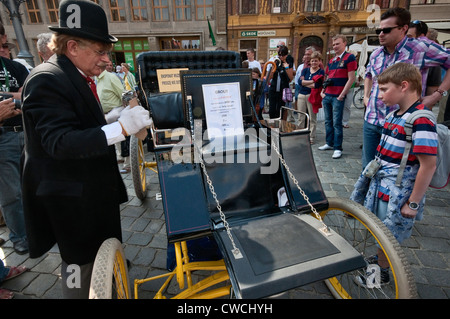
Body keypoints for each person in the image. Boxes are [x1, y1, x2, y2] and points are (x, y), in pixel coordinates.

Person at [21, 0, 152, 298]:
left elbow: (79, 124)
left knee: (100, 253)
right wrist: (122, 128)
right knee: (76, 267)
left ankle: (109, 281)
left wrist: (113, 117)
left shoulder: (74, 74)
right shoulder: (46, 79)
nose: (107, 60)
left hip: (89, 190)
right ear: (72, 47)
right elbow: (60, 142)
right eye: (101, 51)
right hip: (70, 198)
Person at [350, 62, 437, 287]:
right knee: (382, 230)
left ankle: (382, 274)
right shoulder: (393, 116)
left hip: (398, 191)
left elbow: (428, 165)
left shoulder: (421, 120)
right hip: (384, 187)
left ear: (404, 86)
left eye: (384, 89)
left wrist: (414, 203)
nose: (379, 95)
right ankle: (382, 260)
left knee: (389, 234)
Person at [362, 7, 450, 169]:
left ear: (403, 29)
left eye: (386, 30)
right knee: (367, 171)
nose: (381, 34)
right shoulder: (376, 54)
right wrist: (366, 97)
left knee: (396, 173)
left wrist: (437, 94)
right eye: (379, 30)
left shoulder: (420, 48)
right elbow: (368, 75)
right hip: (372, 121)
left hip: (403, 124)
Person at [0, 27, 30, 255]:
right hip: (3, 137)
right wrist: (15, 97)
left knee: (34, 183)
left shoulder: (17, 67)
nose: (4, 48)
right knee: (11, 193)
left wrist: (8, 99)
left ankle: (38, 228)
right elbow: (19, 96)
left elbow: (30, 95)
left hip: (25, 131)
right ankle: (19, 236)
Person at [318, 35, 357, 159]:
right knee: (328, 121)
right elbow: (327, 77)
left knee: (337, 123)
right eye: (334, 44)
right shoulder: (331, 61)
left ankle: (337, 147)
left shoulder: (349, 57)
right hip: (328, 95)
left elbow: (351, 78)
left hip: (337, 96)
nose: (335, 46)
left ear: (344, 43)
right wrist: (322, 91)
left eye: (337, 44)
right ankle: (329, 143)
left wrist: (342, 95)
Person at [97, 59, 131, 173]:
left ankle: (128, 163)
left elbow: (123, 93)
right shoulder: (97, 79)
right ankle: (120, 157)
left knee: (123, 138)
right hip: (106, 112)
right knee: (113, 137)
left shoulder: (111, 78)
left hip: (116, 110)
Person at [297, 51, 325, 144]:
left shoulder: (321, 71)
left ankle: (311, 137)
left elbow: (317, 85)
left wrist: (306, 82)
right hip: (302, 94)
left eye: (316, 61)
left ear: (319, 61)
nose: (314, 63)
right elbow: (300, 82)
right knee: (301, 116)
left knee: (312, 118)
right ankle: (300, 134)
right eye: (312, 61)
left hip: (312, 95)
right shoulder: (305, 70)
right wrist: (312, 81)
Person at [267, 45, 294, 119]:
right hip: (274, 88)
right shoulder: (276, 62)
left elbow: (290, 78)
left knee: (280, 109)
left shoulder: (288, 63)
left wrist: (286, 67)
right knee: (272, 109)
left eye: (283, 55)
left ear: (286, 55)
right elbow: (270, 77)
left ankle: (280, 126)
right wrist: (273, 67)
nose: (281, 57)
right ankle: (272, 124)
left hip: (283, 90)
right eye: (279, 55)